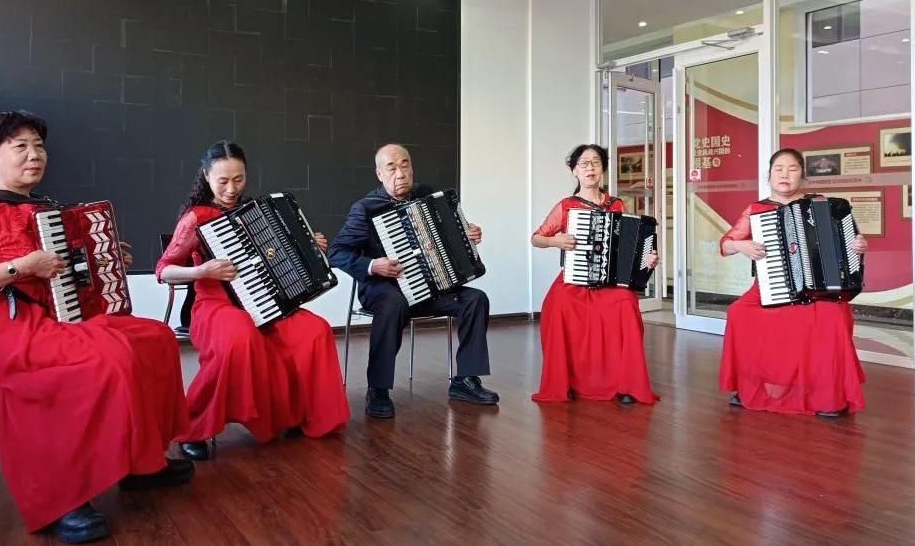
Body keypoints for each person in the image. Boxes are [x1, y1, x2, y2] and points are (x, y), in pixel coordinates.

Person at [0, 111, 192, 544]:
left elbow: (63, 276)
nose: (34, 155)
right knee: (103, 359)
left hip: (46, 317)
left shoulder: (42, 209)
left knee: (156, 340)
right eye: (20, 146)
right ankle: (60, 497)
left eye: (39, 146)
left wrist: (103, 260)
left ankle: (141, 463)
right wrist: (21, 267)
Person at [156, 141, 349, 460]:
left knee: (315, 330)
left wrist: (309, 246)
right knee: (239, 337)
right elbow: (163, 270)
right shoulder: (195, 218)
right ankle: (194, 428)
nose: (231, 189)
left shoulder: (256, 212)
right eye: (223, 181)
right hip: (214, 306)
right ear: (206, 176)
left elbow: (279, 259)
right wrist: (201, 270)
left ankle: (298, 415)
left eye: (239, 179)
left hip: (263, 302)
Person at [328, 143, 498, 419]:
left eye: (404, 165)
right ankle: (378, 389)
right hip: (383, 290)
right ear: (379, 174)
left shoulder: (426, 195)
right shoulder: (365, 209)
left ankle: (465, 380)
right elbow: (336, 253)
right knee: (393, 303)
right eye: (391, 168)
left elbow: (451, 232)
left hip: (428, 288)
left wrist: (469, 233)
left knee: (475, 299)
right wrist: (373, 265)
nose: (400, 173)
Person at [718, 148, 868, 417]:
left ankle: (828, 395)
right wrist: (741, 245)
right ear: (769, 175)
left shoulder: (820, 204)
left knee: (832, 315)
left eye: (792, 169)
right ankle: (751, 386)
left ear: (803, 176)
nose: (784, 174)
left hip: (816, 290)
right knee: (738, 312)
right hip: (769, 286)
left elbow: (848, 244)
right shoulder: (756, 209)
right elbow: (725, 245)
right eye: (779, 169)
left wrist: (857, 245)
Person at [530, 144, 660, 404]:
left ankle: (626, 385)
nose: (590, 168)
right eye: (584, 163)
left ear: (603, 169)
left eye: (596, 162)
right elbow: (536, 238)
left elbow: (629, 246)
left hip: (609, 283)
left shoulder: (616, 204)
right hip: (575, 279)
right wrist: (556, 241)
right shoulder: (566, 206)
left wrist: (647, 259)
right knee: (559, 304)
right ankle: (566, 381)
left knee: (626, 302)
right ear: (574, 170)